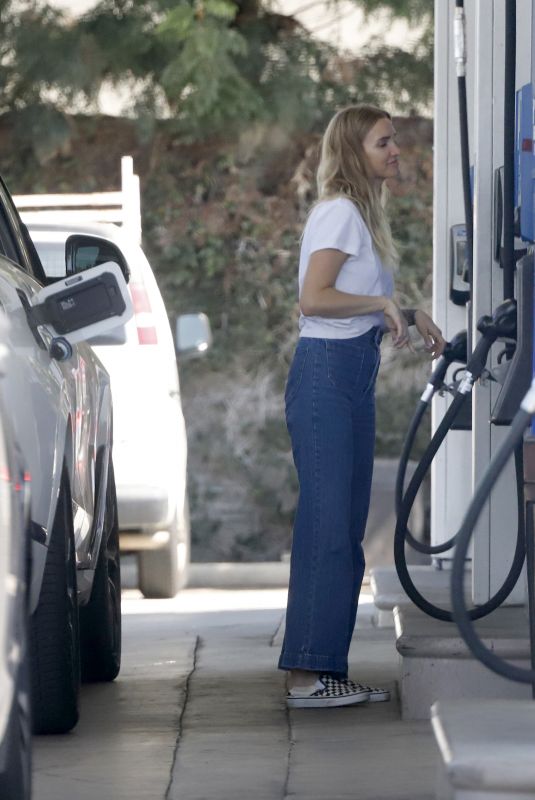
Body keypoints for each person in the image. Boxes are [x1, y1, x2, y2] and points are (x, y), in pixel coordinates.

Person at [279, 104, 446, 709]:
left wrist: (404, 310)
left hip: (349, 376)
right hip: (325, 377)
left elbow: (356, 299)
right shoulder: (339, 213)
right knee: (327, 525)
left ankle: (326, 669)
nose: (395, 151)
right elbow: (315, 299)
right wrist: (380, 307)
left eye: (393, 141)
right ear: (354, 152)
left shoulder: (359, 217)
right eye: (383, 143)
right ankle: (306, 675)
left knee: (344, 527)